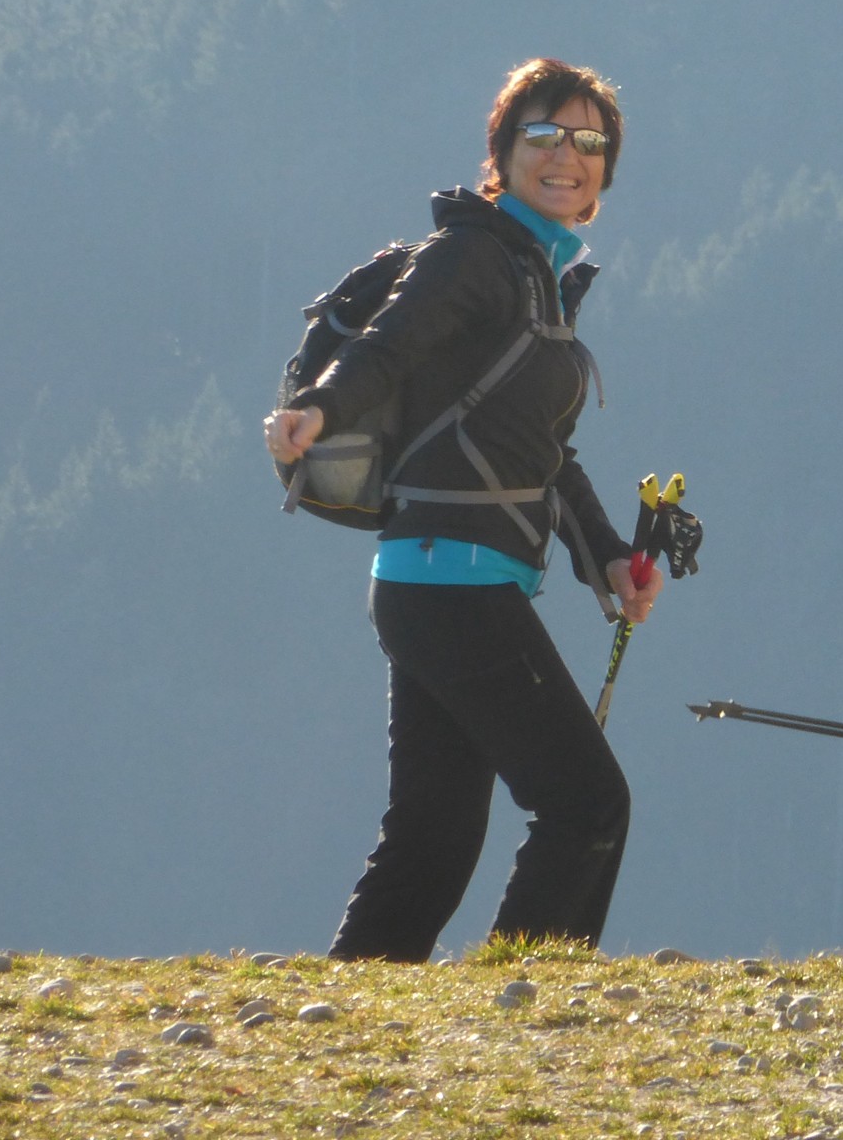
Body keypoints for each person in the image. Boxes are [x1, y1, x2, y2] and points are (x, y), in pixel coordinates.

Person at [264, 58, 660, 961]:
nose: (566, 155)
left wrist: (605, 557)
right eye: (544, 134)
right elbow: (389, 345)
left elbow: (546, 452)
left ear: (606, 169)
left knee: (434, 835)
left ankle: (347, 1017)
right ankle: (519, 1010)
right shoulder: (474, 254)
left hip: (442, 582)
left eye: (588, 140)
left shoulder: (538, 276)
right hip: (453, 583)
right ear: (502, 151)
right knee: (586, 803)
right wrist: (321, 408)